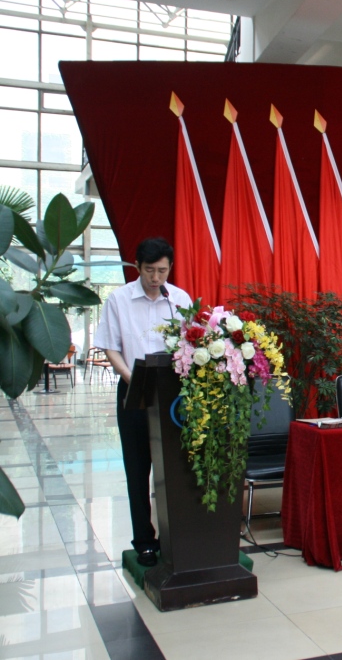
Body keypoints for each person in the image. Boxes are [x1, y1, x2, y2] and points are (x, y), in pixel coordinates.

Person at [94, 237, 191, 567]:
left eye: (162, 271)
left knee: (174, 467)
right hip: (133, 390)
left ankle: (175, 536)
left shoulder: (179, 299)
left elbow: (191, 344)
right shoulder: (119, 299)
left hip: (172, 395)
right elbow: (110, 346)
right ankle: (145, 541)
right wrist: (132, 379)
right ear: (137, 266)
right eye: (149, 270)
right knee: (137, 468)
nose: (155, 277)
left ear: (170, 268)